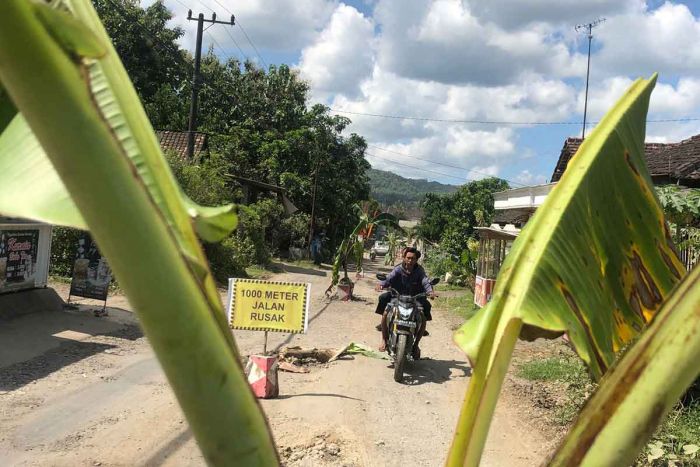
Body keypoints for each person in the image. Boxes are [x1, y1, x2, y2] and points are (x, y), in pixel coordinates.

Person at [374, 247, 437, 357]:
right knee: (385, 310)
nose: (410, 261)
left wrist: (430, 291)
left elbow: (425, 282)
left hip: (414, 299)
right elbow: (389, 278)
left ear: (416, 260)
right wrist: (381, 284)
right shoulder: (398, 269)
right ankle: (384, 339)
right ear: (404, 258)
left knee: (423, 315)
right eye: (408, 258)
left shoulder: (419, 271)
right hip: (398, 297)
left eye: (413, 258)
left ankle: (416, 345)